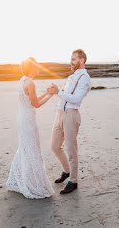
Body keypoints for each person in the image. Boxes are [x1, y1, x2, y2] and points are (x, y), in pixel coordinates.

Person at [6, 57, 54, 199]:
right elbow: (36, 104)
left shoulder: (22, 80)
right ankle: (36, 184)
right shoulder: (31, 82)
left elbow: (32, 99)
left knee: (25, 148)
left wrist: (45, 93)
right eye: (36, 65)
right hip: (28, 120)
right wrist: (50, 95)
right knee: (32, 150)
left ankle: (16, 180)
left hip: (22, 117)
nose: (38, 67)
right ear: (32, 67)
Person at [48, 49, 91, 194]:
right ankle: (66, 171)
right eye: (70, 59)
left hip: (71, 116)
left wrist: (58, 92)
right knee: (54, 146)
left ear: (82, 61)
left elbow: (76, 99)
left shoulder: (84, 78)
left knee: (71, 150)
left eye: (74, 59)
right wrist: (55, 92)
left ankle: (73, 181)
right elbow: (65, 96)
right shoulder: (72, 77)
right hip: (59, 114)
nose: (71, 62)